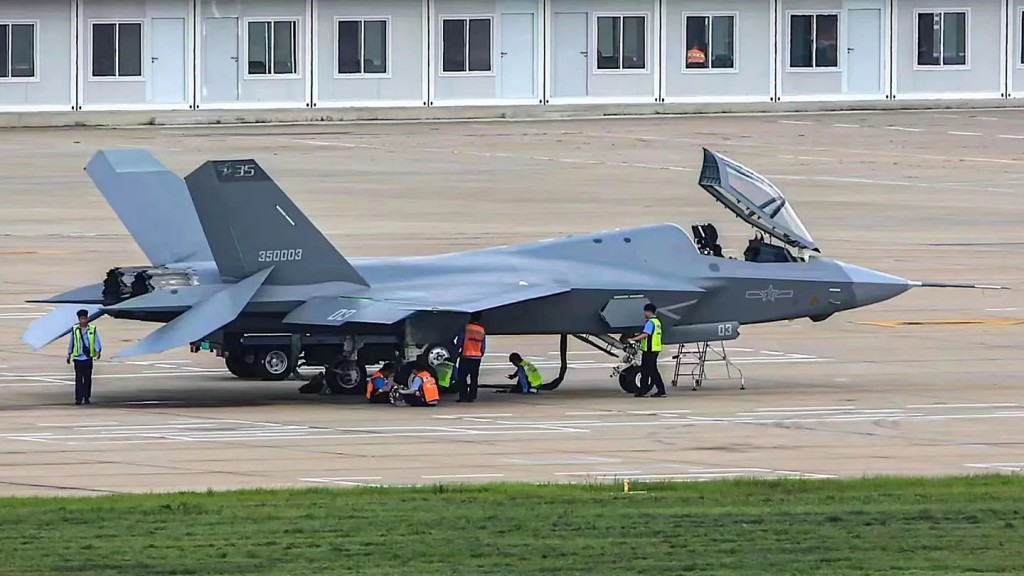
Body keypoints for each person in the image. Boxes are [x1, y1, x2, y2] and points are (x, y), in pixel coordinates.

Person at [628, 303, 666, 398]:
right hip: (654, 349)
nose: (644, 313)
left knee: (652, 370)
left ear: (649, 312)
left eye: (645, 311)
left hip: (650, 349)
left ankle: (661, 390)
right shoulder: (657, 322)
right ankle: (643, 390)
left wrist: (633, 339)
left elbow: (645, 334)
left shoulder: (650, 322)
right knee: (645, 370)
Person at [66, 309, 101, 405]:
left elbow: (96, 340)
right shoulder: (75, 329)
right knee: (78, 379)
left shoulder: (92, 329)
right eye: (81, 319)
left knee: (87, 378)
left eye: (85, 318)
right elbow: (72, 342)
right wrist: (69, 353)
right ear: (79, 319)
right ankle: (78, 398)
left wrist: (98, 351)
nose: (83, 320)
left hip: (88, 357)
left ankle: (86, 397)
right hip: (78, 357)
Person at [455, 312, 486, 403]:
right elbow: (483, 345)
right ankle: (472, 396)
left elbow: (460, 341)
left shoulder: (466, 328)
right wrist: (480, 354)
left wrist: (457, 352)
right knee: (474, 378)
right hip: (477, 357)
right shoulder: (481, 330)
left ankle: (463, 395)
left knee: (462, 377)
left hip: (466, 355)